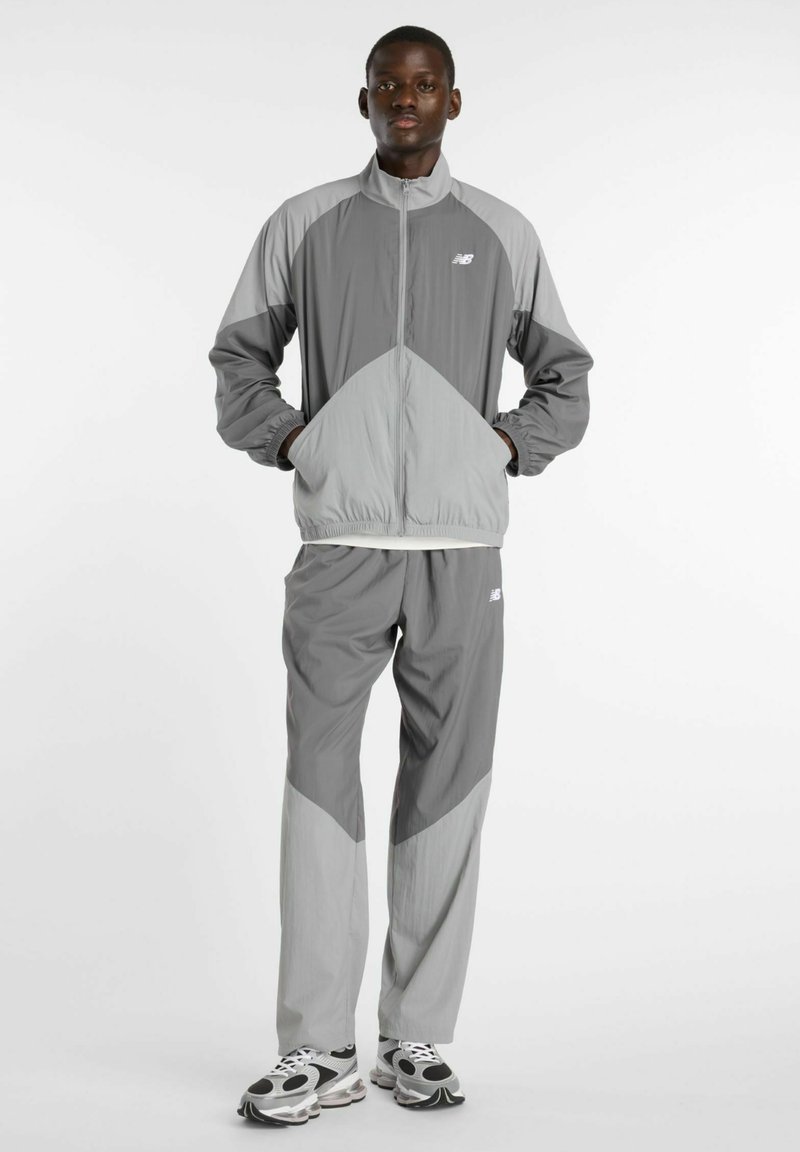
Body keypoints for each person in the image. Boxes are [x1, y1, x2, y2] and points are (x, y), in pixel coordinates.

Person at [208, 24, 594, 1126]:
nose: (405, 99)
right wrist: (297, 440)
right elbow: (238, 359)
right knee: (318, 785)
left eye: (424, 85)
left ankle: (414, 1037)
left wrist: (501, 448)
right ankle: (316, 1047)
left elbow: (565, 378)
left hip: (461, 557)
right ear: (365, 101)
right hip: (339, 549)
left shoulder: (502, 233)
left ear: (452, 102)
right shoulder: (305, 225)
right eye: (389, 84)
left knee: (447, 787)